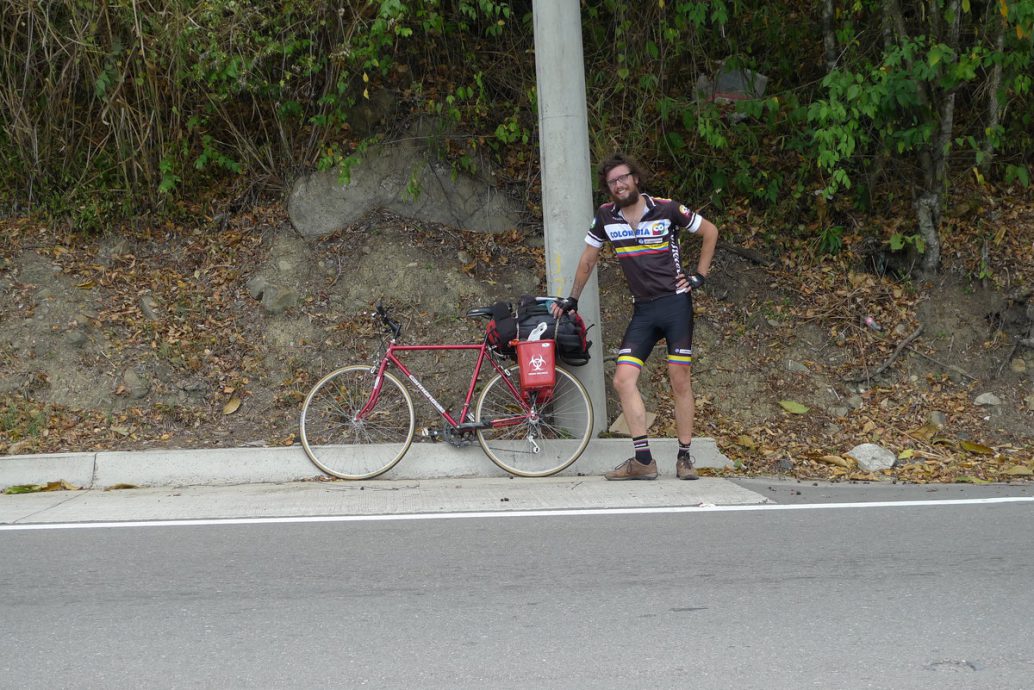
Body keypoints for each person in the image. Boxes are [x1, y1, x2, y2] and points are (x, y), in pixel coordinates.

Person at [552, 153, 718, 480]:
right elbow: (588, 260)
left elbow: (710, 232)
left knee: (679, 379)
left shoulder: (667, 208)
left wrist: (699, 276)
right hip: (643, 308)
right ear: (608, 188)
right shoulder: (605, 217)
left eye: (623, 177)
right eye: (613, 181)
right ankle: (643, 460)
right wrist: (572, 298)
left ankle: (684, 456)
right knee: (622, 379)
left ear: (636, 178)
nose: (619, 184)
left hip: (675, 304)